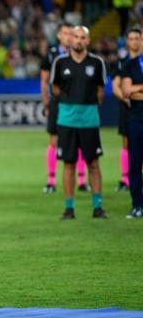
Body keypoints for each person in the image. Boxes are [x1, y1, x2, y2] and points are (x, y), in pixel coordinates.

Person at [50, 26, 108, 219]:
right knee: (69, 164)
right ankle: (69, 208)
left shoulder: (97, 62)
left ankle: (97, 207)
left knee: (93, 163)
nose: (78, 40)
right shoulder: (60, 62)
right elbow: (55, 89)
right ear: (70, 39)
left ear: (88, 41)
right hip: (67, 120)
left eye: (83, 37)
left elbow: (100, 92)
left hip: (90, 120)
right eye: (75, 37)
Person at [41, 22, 89, 194]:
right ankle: (51, 180)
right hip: (57, 103)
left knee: (79, 141)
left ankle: (82, 180)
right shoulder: (52, 54)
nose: (69, 36)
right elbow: (44, 80)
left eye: (71, 33)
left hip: (77, 104)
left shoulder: (80, 55)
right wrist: (46, 102)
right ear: (59, 35)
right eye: (65, 33)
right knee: (53, 141)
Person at [111, 28, 141, 192]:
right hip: (128, 108)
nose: (135, 41)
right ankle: (125, 178)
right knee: (127, 144)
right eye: (131, 38)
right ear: (127, 42)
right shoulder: (122, 62)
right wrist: (127, 99)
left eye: (137, 38)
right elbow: (117, 87)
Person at [122, 32, 143, 219]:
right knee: (135, 165)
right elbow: (127, 91)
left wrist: (137, 88)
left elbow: (132, 90)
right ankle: (137, 204)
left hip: (136, 115)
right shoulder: (129, 65)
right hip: (136, 120)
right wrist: (134, 90)